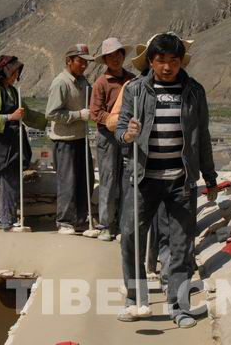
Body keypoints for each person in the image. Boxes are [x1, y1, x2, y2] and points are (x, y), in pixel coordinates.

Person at [115, 32, 218, 328]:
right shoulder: (135, 90)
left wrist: (210, 177)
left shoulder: (194, 91)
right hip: (143, 179)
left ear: (180, 61)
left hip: (181, 180)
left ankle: (179, 306)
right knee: (132, 239)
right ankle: (136, 299)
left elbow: (203, 137)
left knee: (181, 245)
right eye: (161, 60)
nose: (168, 66)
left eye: (174, 60)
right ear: (151, 61)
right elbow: (121, 130)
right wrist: (128, 135)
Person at [0, 55, 47, 231]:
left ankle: (2, 220)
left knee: (10, 184)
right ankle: (7, 222)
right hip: (3, 147)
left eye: (17, 73)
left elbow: (28, 115)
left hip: (14, 145)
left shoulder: (12, 91)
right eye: (13, 72)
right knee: (8, 185)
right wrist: (10, 117)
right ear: (4, 71)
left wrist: (48, 120)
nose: (15, 76)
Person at [45, 44, 94, 235]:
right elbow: (52, 113)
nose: (84, 66)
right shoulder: (61, 83)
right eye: (80, 61)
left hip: (81, 138)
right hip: (65, 140)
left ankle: (80, 219)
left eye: (86, 62)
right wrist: (78, 115)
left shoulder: (83, 81)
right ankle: (64, 221)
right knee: (68, 181)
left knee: (85, 179)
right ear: (69, 61)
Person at [90, 38, 135, 241]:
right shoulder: (101, 83)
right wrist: (113, 120)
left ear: (123, 56)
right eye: (111, 56)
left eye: (118, 55)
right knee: (108, 179)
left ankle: (125, 224)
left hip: (126, 137)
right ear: (105, 60)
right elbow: (95, 112)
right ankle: (106, 224)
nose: (115, 59)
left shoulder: (132, 80)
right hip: (107, 138)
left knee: (127, 179)